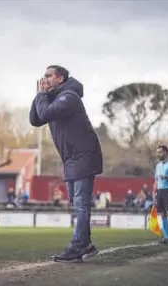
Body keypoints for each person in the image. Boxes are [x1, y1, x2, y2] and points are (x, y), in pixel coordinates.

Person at [29, 65, 103, 262]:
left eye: (48, 76)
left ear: (60, 78)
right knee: (76, 202)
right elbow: (35, 120)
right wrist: (39, 95)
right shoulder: (53, 97)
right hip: (71, 158)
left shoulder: (70, 97)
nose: (44, 79)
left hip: (84, 155)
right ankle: (86, 245)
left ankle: (77, 246)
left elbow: (44, 114)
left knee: (81, 203)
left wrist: (42, 95)